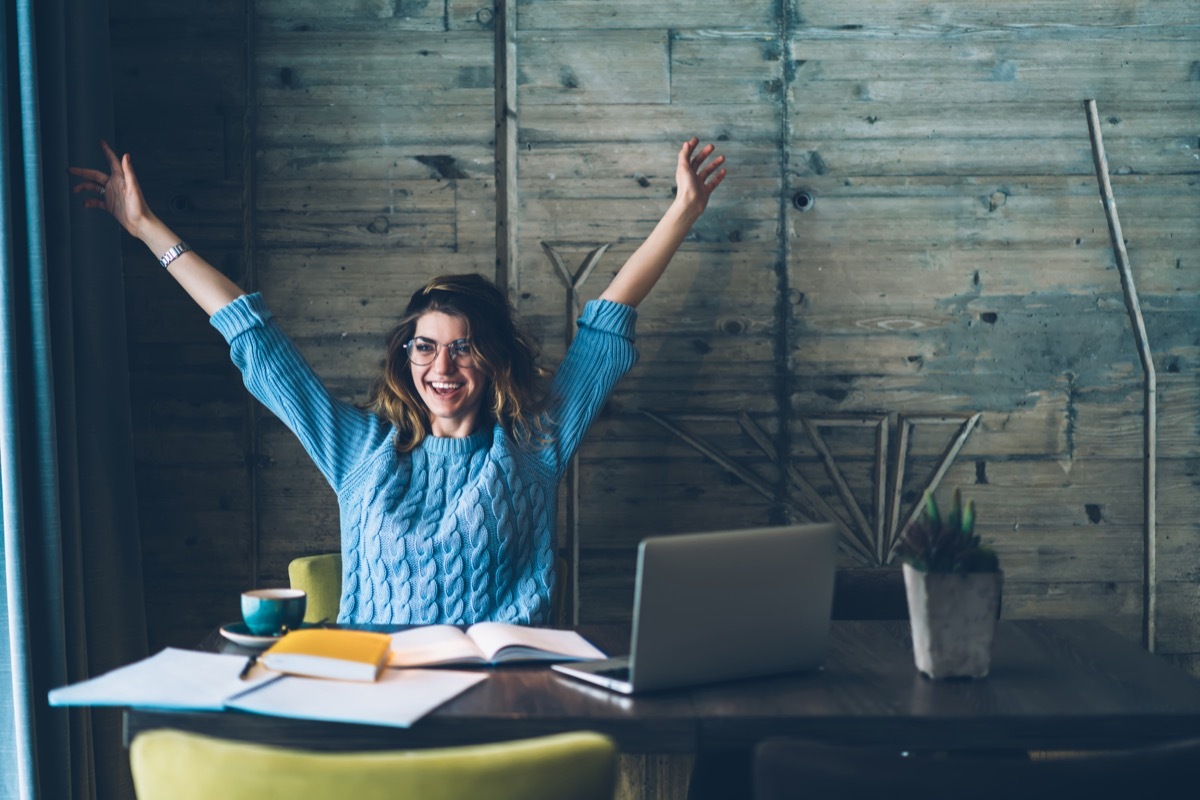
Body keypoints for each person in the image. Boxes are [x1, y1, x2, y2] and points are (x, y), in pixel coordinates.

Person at [70, 137, 726, 626]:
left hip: (502, 690)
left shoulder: (533, 444)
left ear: (493, 359)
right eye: (425, 347)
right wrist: (146, 228)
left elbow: (605, 329)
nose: (441, 368)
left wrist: (683, 211)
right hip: (377, 690)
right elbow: (255, 339)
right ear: (405, 355)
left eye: (464, 349)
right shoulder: (361, 450)